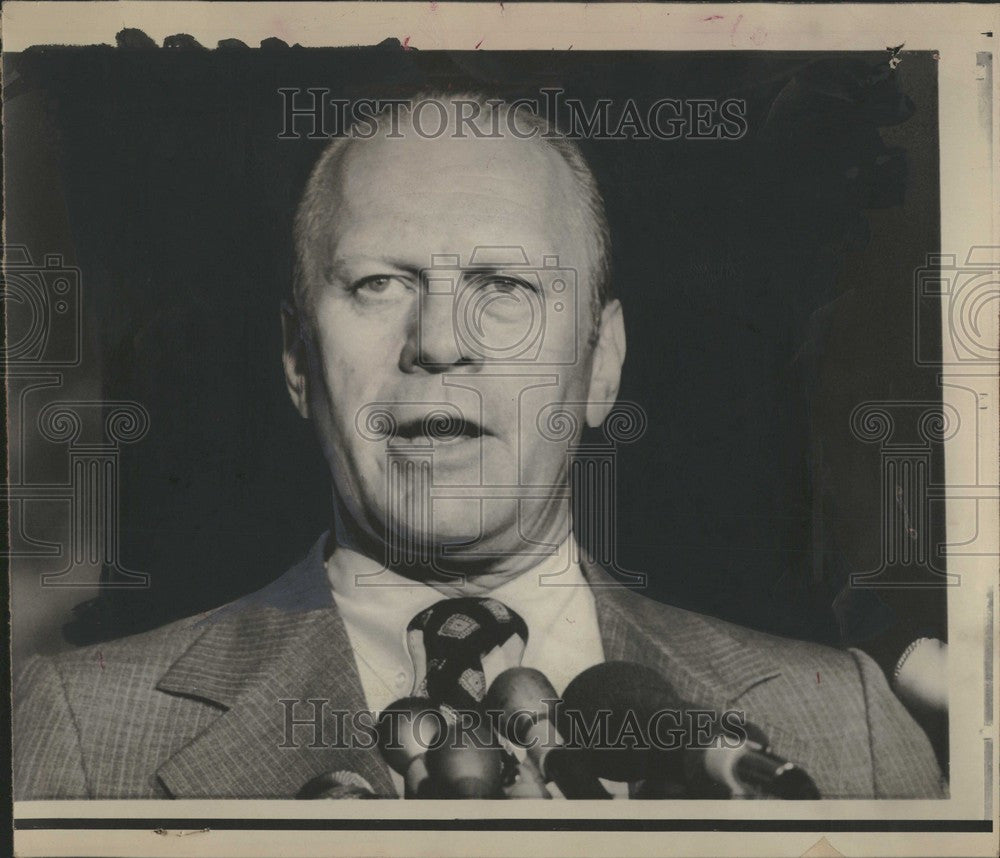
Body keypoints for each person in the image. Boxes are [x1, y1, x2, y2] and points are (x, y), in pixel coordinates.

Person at [13, 92, 945, 800]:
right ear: (299, 362)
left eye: (506, 285)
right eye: (379, 283)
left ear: (601, 365)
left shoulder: (840, 725)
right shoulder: (87, 734)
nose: (441, 341)